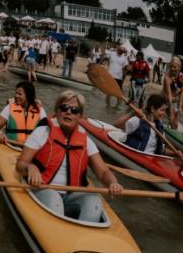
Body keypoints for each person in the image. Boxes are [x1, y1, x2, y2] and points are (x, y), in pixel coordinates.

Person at [16, 90, 123, 222]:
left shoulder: (86, 142)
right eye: (64, 107)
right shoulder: (42, 133)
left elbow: (103, 171)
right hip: (43, 189)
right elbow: (20, 164)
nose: (68, 112)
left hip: (71, 194)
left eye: (74, 110)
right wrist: (30, 167)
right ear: (57, 111)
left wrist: (113, 182)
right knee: (54, 199)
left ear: (80, 116)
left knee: (93, 201)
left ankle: (85, 236)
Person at [161, 56, 183, 129]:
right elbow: (169, 95)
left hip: (175, 100)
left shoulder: (181, 76)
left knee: (175, 123)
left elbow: (181, 92)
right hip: (165, 100)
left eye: (174, 67)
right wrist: (171, 107)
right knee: (171, 119)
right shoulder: (167, 77)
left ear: (179, 67)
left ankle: (173, 131)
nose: (172, 68)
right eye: (171, 66)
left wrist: (180, 107)